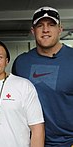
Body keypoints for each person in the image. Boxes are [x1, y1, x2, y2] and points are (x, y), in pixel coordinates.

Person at [12, 6, 73, 147]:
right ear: (33, 31)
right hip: (30, 141)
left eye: (51, 25)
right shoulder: (21, 63)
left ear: (60, 29)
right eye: (40, 25)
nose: (45, 30)